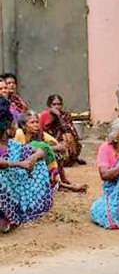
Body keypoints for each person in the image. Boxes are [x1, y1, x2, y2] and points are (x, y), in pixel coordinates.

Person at [0, 98, 51, 233]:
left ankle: (14, 212)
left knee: (39, 163)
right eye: (12, 126)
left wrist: (32, 160)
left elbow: (41, 151)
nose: (15, 129)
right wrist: (19, 164)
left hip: (16, 187)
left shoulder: (12, 145)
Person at [15, 111, 86, 193]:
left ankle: (61, 181)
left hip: (36, 163)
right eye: (32, 122)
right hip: (23, 164)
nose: (35, 125)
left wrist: (45, 148)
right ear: (24, 126)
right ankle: (62, 185)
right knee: (40, 151)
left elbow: (61, 147)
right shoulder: (19, 134)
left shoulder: (41, 135)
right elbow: (22, 150)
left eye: (37, 122)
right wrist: (42, 148)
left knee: (50, 153)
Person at [39, 94, 85, 166]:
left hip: (61, 141)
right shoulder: (44, 115)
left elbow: (67, 129)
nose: (57, 107)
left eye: (59, 104)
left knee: (68, 136)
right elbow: (41, 131)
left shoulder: (65, 115)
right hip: (48, 141)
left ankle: (68, 159)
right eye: (54, 104)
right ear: (49, 106)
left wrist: (58, 116)